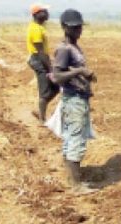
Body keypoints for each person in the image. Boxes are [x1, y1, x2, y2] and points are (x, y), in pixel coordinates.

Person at [49, 8, 96, 191]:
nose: (78, 30)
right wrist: (80, 71)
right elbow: (58, 76)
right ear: (63, 27)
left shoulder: (74, 47)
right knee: (75, 139)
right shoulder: (64, 49)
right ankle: (75, 185)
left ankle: (72, 179)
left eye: (79, 27)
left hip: (79, 97)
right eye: (74, 27)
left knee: (72, 138)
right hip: (74, 99)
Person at [26, 3, 57, 121]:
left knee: (56, 87)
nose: (47, 14)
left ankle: (41, 111)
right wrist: (50, 69)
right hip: (39, 60)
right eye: (44, 11)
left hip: (41, 59)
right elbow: (40, 52)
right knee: (44, 91)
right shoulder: (35, 29)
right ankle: (42, 120)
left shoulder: (39, 27)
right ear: (37, 14)